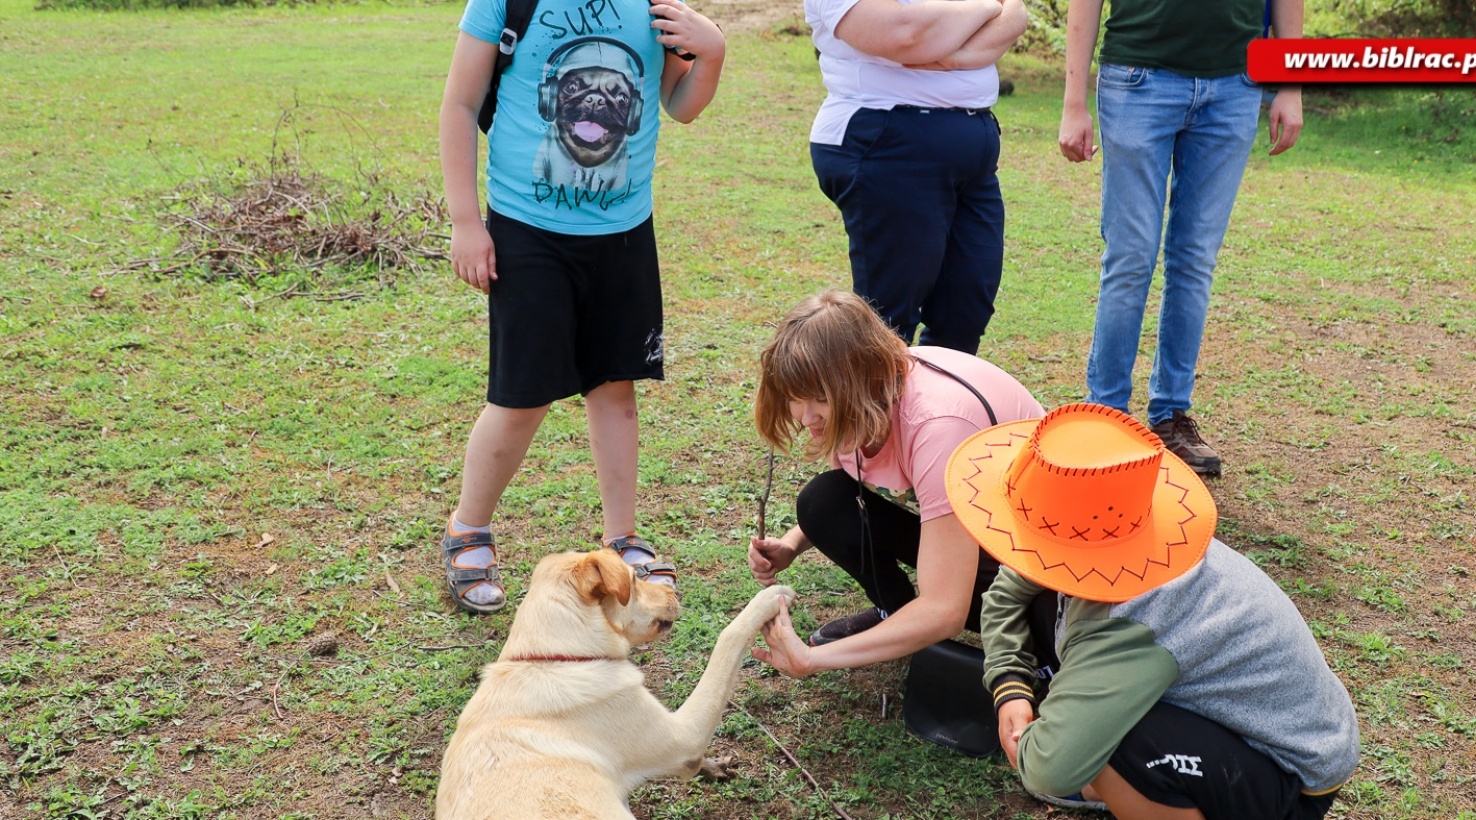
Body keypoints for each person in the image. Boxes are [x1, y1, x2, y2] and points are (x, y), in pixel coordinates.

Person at [946, 403, 1358, 820]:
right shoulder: (1115, 532)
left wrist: (1057, 748)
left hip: (1283, 786)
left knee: (1116, 742)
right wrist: (1012, 687)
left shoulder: (1137, 616)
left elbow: (1047, 768)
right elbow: (1004, 595)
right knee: (1082, 698)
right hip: (1226, 728)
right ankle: (1128, 784)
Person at [436, 0, 726, 613]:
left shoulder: (654, 7)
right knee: (521, 397)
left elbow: (681, 105)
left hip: (623, 233)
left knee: (615, 386)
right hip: (525, 230)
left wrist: (713, 49)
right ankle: (469, 529)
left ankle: (621, 538)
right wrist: (466, 220)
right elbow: (461, 104)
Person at [747, 289, 1055, 678]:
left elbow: (946, 610)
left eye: (819, 399)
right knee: (823, 503)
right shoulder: (862, 402)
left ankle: (1032, 652)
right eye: (794, 399)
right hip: (979, 525)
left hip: (1044, 557)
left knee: (1033, 631)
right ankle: (894, 614)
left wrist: (811, 660)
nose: (806, 417)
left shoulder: (937, 428)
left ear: (862, 377)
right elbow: (863, 486)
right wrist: (792, 544)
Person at [1058, 0, 1304, 475]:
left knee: (1194, 261)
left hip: (1236, 86)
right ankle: (1104, 415)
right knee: (1131, 257)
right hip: (1138, 80)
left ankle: (1171, 415)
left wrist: (1290, 85)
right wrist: (1073, 101)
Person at [806, 0, 1030, 355]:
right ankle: (868, 410)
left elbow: (1015, 14)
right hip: (888, 140)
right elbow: (906, 34)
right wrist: (988, 6)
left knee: (966, 308)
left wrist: (952, 54)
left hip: (972, 145)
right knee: (888, 320)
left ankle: (937, 409)